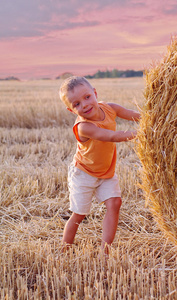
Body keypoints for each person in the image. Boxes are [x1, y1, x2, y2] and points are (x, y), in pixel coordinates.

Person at [59, 76, 140, 254]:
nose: (85, 105)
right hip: (84, 173)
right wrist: (142, 134)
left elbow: (134, 115)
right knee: (80, 214)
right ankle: (64, 250)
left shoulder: (109, 108)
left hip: (106, 171)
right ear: (71, 110)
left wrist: (156, 119)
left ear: (95, 93)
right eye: (77, 104)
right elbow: (111, 136)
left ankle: (106, 251)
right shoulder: (83, 127)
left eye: (87, 97)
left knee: (115, 203)